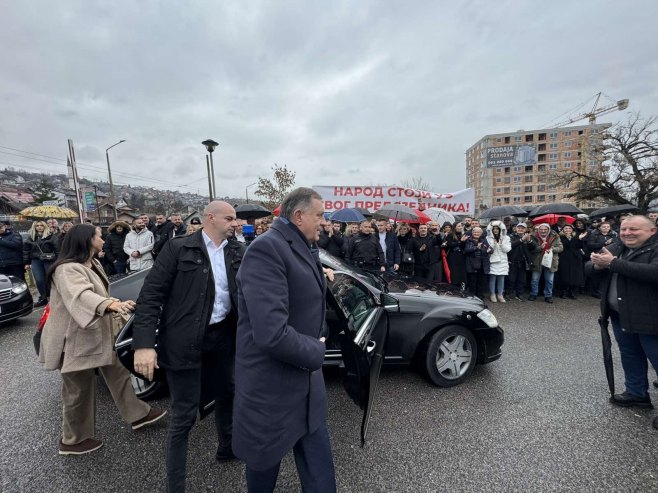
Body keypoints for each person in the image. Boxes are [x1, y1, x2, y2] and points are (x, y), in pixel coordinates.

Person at [132, 201, 243, 492]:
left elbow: (266, 272)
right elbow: (151, 296)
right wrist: (144, 345)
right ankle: (176, 485)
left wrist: (318, 269)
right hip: (184, 341)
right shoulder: (179, 248)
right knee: (184, 415)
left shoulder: (235, 250)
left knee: (228, 393)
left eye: (236, 219)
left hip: (223, 337)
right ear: (210, 218)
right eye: (229, 218)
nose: (235, 223)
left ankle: (227, 447)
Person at [233, 187, 336, 492]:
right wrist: (317, 352)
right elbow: (271, 333)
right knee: (263, 475)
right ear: (299, 215)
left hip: (306, 387)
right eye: (319, 215)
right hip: (273, 390)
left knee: (320, 477)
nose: (324, 221)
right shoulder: (266, 249)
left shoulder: (302, 245)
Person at [38, 224, 166, 456]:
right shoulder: (67, 269)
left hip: (95, 335)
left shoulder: (93, 263)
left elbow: (99, 293)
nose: (104, 240)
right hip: (74, 340)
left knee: (118, 372)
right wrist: (110, 305)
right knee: (78, 389)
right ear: (86, 240)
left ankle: (138, 415)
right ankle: (73, 441)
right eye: (99, 236)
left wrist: (115, 302)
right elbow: (81, 295)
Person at [588, 216, 658, 429]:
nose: (627, 233)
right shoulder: (617, 246)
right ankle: (637, 393)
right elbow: (588, 270)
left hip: (650, 317)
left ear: (652, 231)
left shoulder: (654, 249)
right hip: (620, 314)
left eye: (634, 229)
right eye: (625, 229)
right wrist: (597, 266)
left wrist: (613, 263)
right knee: (630, 355)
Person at [24, 220, 59, 306]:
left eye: (41, 225)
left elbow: (58, 249)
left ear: (45, 226)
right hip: (36, 260)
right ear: (34, 227)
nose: (39, 227)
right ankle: (43, 297)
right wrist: (26, 263)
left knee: (50, 279)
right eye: (37, 225)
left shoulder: (51, 236)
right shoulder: (31, 237)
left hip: (49, 260)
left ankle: (53, 296)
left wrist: (59, 261)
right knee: (39, 280)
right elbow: (26, 251)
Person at [527, 223, 563, 303]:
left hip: (550, 260)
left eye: (545, 229)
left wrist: (552, 249)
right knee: (535, 279)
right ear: (538, 230)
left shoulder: (555, 236)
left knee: (549, 280)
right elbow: (531, 250)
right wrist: (540, 247)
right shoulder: (533, 236)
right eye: (541, 229)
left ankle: (548, 296)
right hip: (537, 260)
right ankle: (533, 294)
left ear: (548, 230)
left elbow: (560, 248)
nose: (543, 231)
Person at [556, 224, 585, 299]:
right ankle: (563, 291)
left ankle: (572, 291)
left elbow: (580, 246)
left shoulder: (576, 236)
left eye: (569, 228)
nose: (568, 230)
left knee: (574, 275)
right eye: (566, 228)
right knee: (564, 274)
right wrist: (569, 238)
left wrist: (580, 239)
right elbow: (565, 245)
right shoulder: (560, 237)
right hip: (564, 257)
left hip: (575, 258)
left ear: (572, 230)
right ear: (563, 230)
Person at [486, 221, 511, 303]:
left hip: (502, 261)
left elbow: (507, 249)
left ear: (501, 229)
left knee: (501, 278)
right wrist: (493, 245)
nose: (496, 230)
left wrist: (501, 244)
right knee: (492, 278)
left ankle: (500, 295)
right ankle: (492, 294)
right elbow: (487, 250)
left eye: (497, 229)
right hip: (492, 260)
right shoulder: (487, 238)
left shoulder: (506, 238)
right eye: (494, 229)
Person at [507, 223, 533, 301]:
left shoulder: (528, 236)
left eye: (522, 228)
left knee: (522, 280)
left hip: (523, 261)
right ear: (516, 228)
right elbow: (511, 245)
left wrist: (529, 241)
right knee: (511, 279)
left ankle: (520, 294)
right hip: (512, 260)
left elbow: (533, 248)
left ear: (525, 229)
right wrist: (521, 240)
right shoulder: (510, 236)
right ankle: (509, 293)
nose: (520, 229)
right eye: (519, 228)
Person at [463, 227, 490, 298]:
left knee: (480, 282)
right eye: (474, 232)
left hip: (482, 264)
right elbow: (466, 250)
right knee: (472, 282)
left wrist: (490, 250)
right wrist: (476, 248)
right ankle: (473, 297)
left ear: (481, 233)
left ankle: (480, 297)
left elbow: (488, 248)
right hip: (471, 264)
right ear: (472, 233)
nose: (476, 233)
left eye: (478, 232)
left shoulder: (484, 240)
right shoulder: (468, 240)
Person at [442, 223, 467, 288]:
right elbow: (449, 245)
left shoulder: (462, 235)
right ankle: (452, 287)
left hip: (460, 256)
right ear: (454, 227)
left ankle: (460, 287)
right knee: (453, 274)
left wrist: (463, 242)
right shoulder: (450, 235)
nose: (460, 227)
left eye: (461, 226)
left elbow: (463, 247)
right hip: (452, 256)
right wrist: (460, 242)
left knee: (460, 274)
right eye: (458, 226)